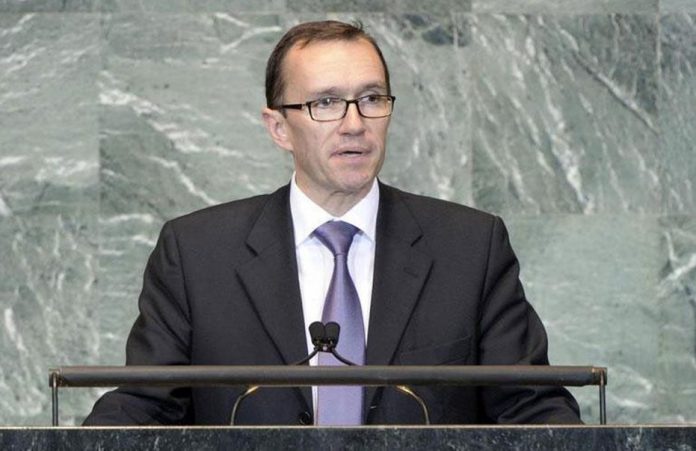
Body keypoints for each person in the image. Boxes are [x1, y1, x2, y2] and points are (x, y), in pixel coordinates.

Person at [84, 20, 581, 426]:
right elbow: (145, 407)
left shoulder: (469, 247)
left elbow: (532, 408)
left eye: (372, 98)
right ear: (279, 127)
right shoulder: (197, 254)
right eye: (325, 103)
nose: (354, 124)